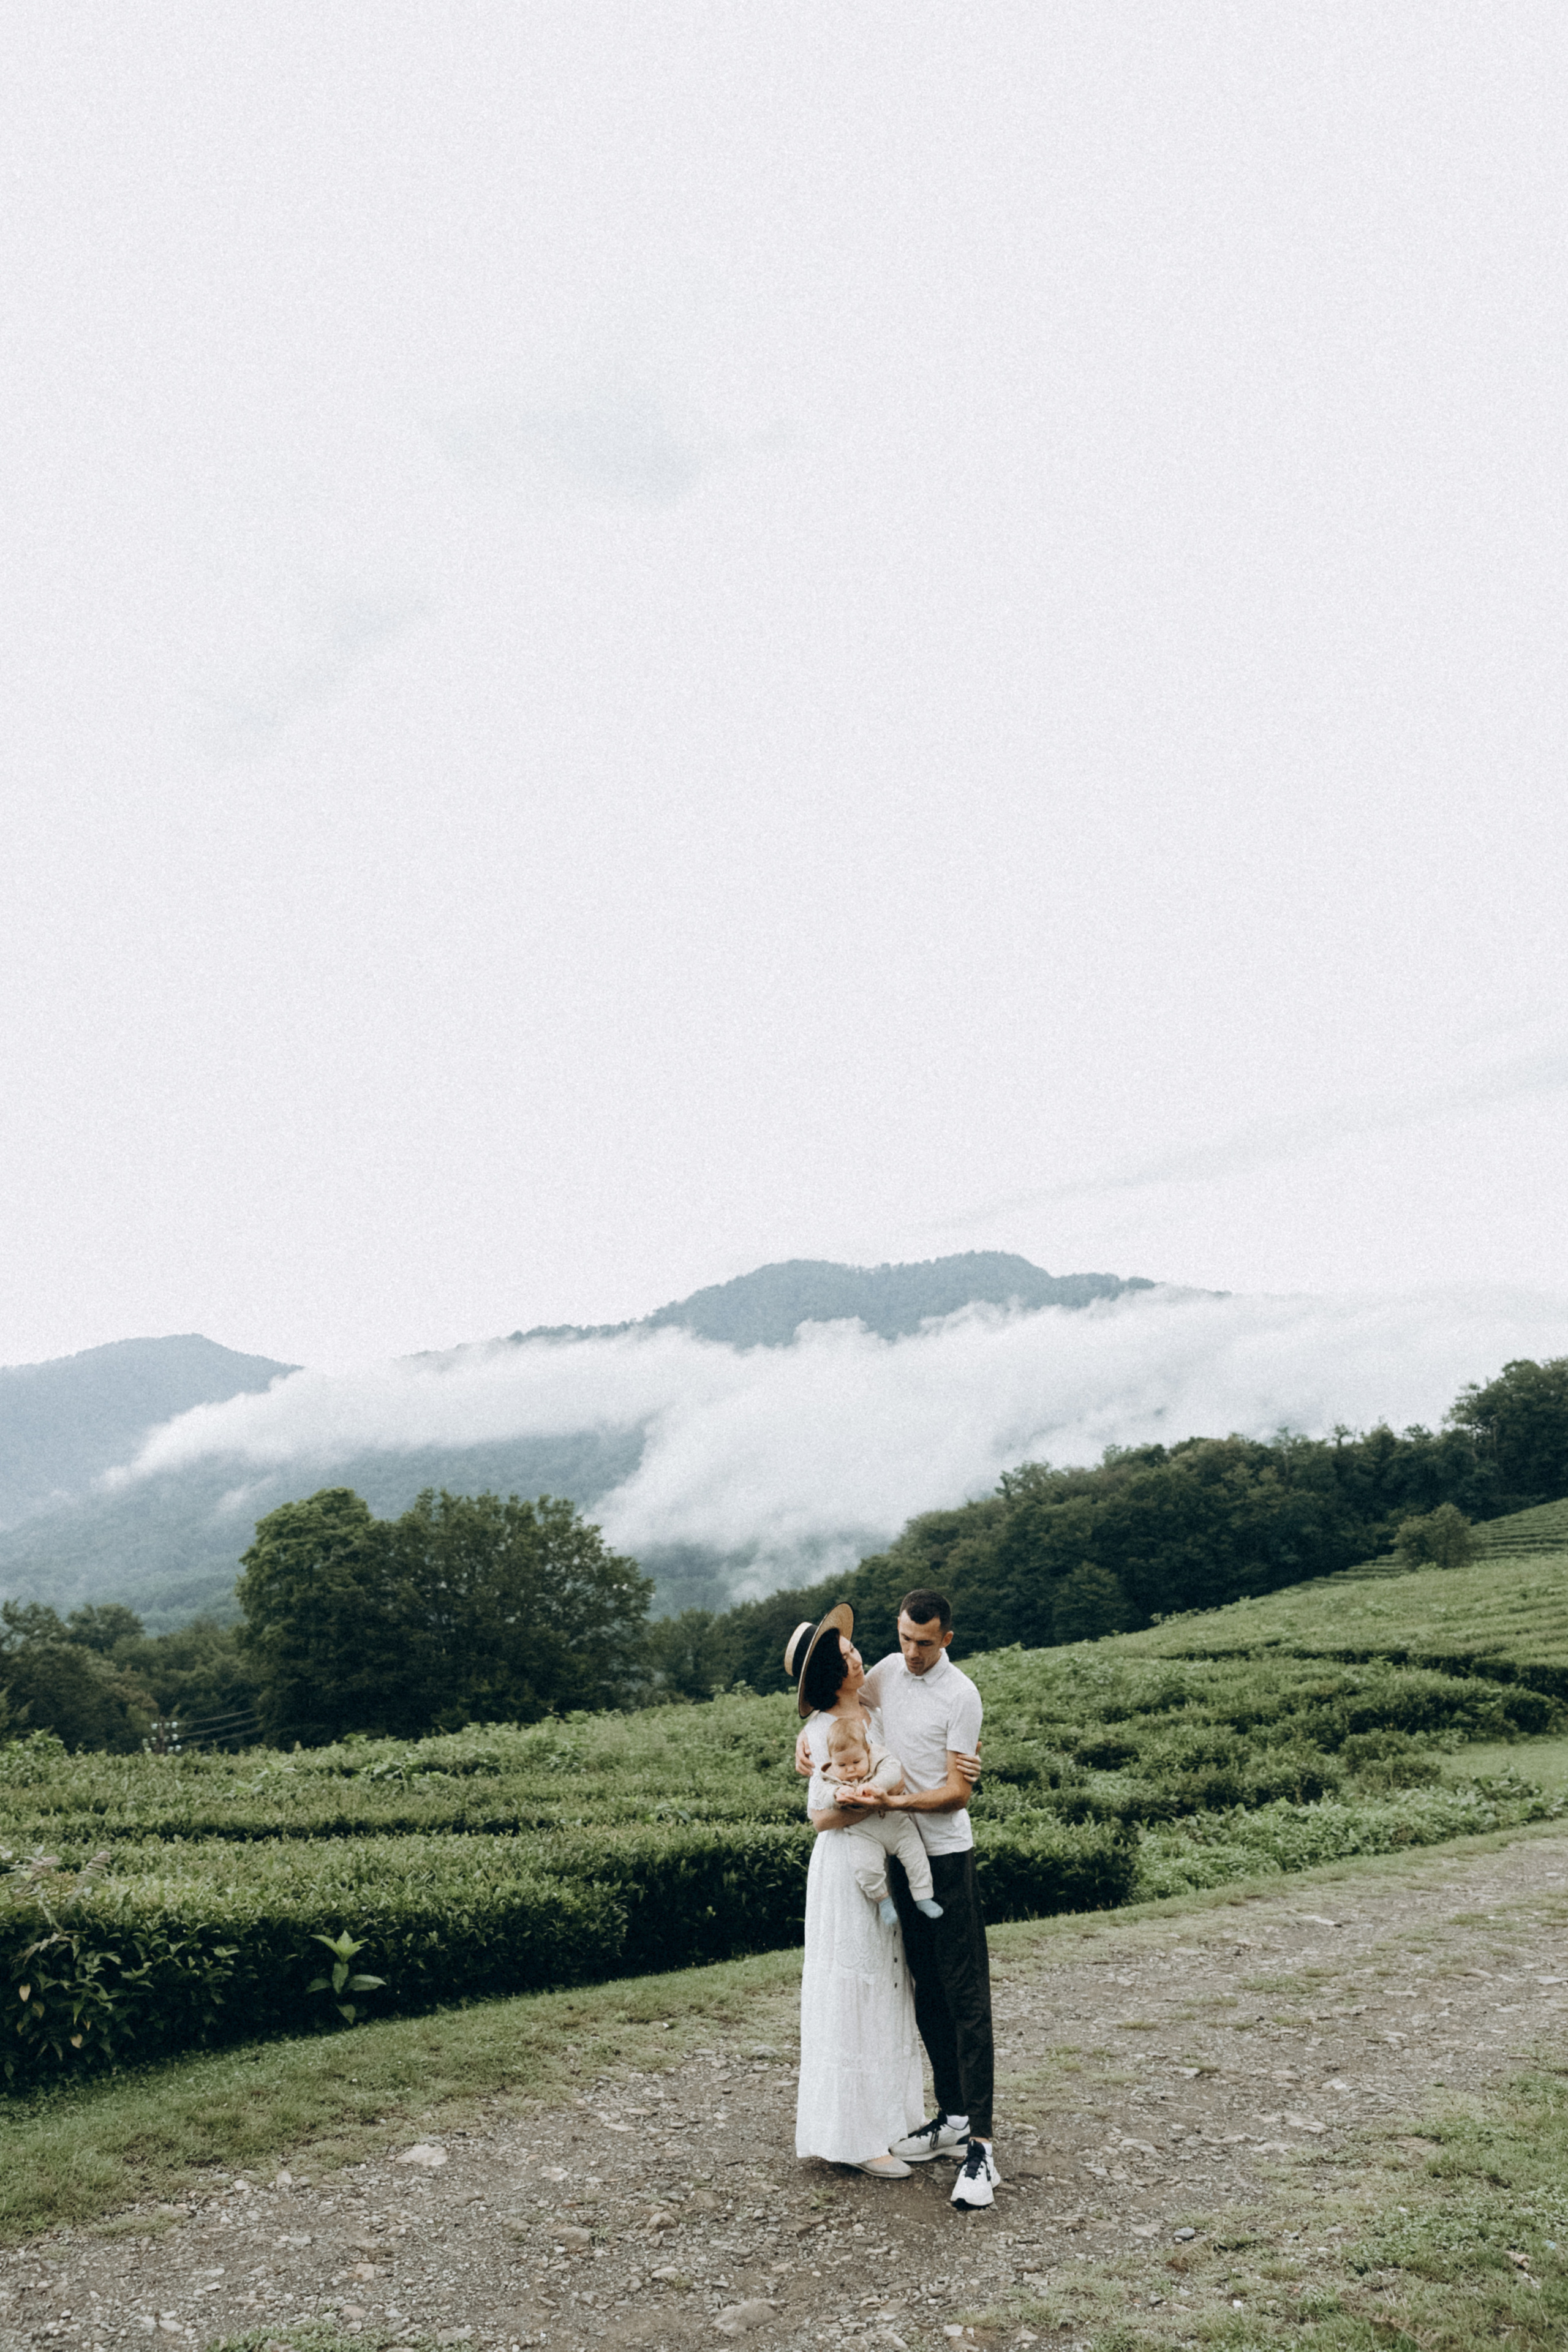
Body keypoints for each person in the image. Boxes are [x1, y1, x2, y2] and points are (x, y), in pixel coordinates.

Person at [794, 1588, 997, 2210]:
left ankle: (977, 2140)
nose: (910, 1652)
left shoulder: (957, 1694)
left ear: (946, 1639)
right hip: (884, 1859)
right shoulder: (882, 1675)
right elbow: (835, 1724)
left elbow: (956, 1788)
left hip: (938, 1853)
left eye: (924, 1643)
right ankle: (942, 2117)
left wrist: (895, 1799)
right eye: (904, 1639)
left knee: (957, 1994)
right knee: (913, 1989)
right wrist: (807, 1743)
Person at [785, 1605, 925, 2179]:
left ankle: (893, 2121)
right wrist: (874, 1804)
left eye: (853, 1649)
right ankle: (856, 2137)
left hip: (884, 1857)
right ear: (828, 1673)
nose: (857, 1657)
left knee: (889, 1983)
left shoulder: (872, 1710)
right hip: (847, 1867)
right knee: (855, 1982)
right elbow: (820, 1816)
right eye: (845, 1656)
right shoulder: (820, 1731)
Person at [818, 1713, 945, 1927]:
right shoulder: (830, 1776)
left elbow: (893, 1772)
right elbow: (823, 1795)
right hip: (863, 1832)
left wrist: (875, 1785)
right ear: (832, 1760)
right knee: (865, 1868)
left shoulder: (879, 1757)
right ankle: (883, 1900)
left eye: (857, 1762)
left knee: (916, 1857)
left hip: (896, 1824)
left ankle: (923, 1897)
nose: (850, 1769)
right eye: (842, 1765)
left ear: (867, 1751)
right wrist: (836, 1795)